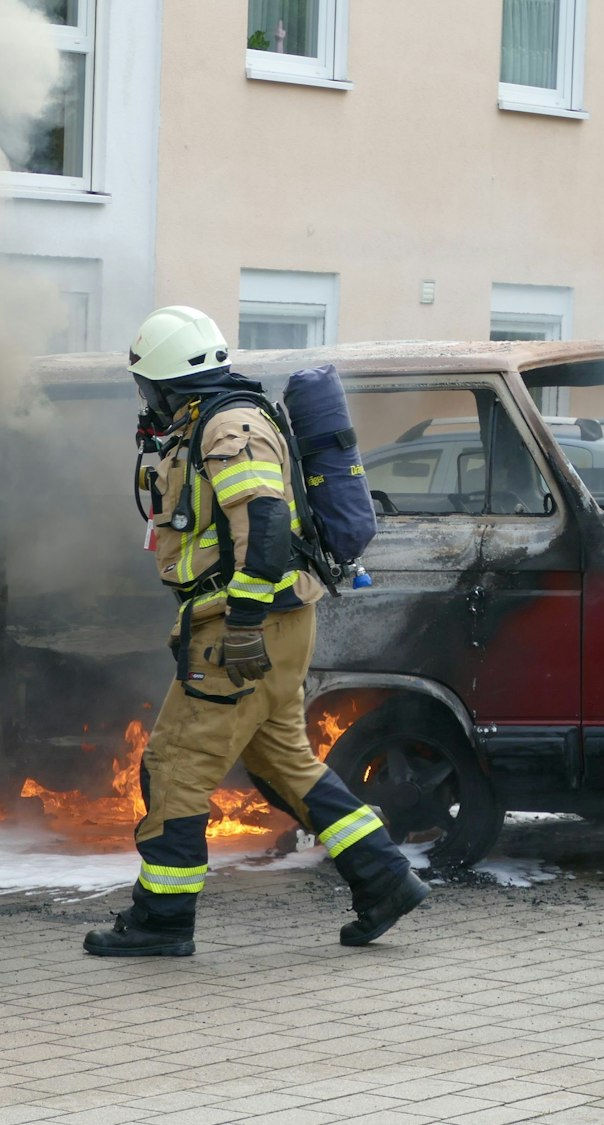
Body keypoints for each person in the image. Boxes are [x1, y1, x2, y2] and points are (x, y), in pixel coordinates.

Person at [83, 305, 429, 957]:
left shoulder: (226, 428)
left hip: (241, 631)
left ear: (167, 382)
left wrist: (241, 621)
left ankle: (162, 920)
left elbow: (265, 523)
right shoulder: (215, 419)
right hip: (276, 627)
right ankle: (385, 879)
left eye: (145, 385)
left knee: (174, 769)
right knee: (286, 765)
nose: (143, 398)